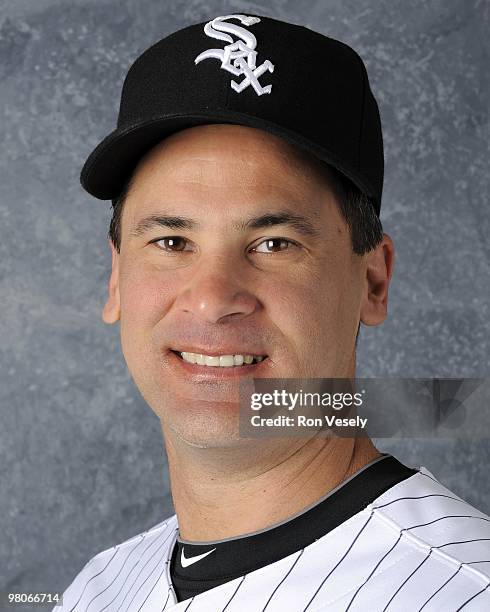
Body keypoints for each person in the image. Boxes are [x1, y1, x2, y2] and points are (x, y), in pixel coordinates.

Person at [53, 13, 490, 611]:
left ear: (374, 279)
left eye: (274, 244)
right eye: (172, 242)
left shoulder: (465, 590)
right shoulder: (95, 591)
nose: (211, 297)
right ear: (117, 279)